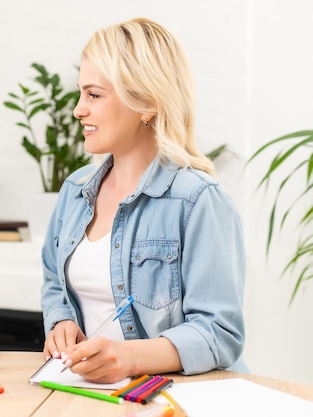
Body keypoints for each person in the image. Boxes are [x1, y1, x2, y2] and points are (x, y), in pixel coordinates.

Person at [41, 17, 246, 383]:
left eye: (94, 94)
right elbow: (54, 282)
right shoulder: (74, 191)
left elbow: (219, 332)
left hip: (175, 397)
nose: (78, 109)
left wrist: (130, 357)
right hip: (93, 394)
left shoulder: (197, 200)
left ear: (147, 101)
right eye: (80, 93)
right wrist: (62, 320)